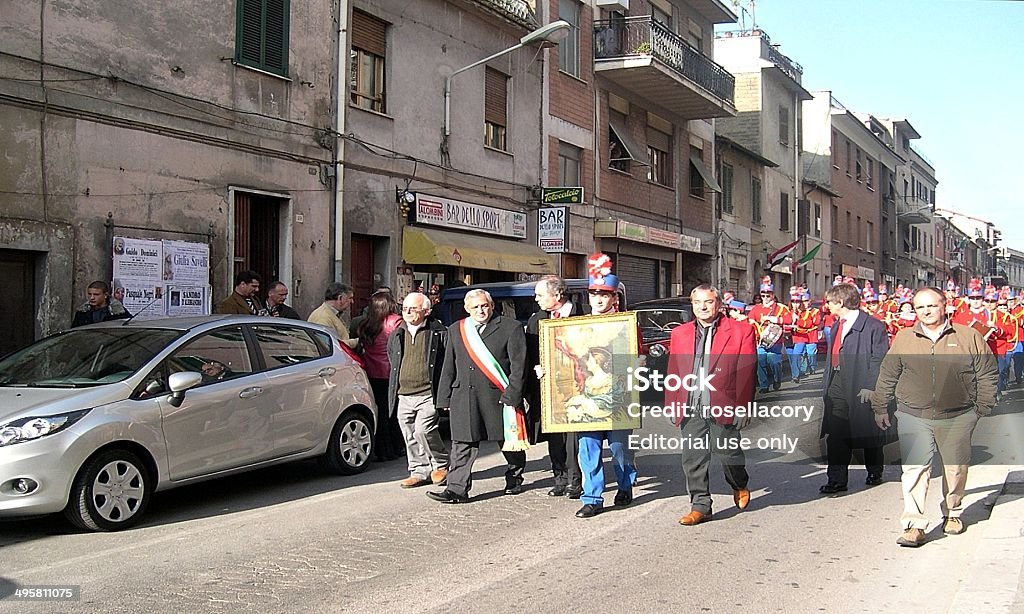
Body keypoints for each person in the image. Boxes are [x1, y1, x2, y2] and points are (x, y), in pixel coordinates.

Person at [871, 287, 998, 548]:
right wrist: (880, 406)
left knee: (955, 469)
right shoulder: (904, 338)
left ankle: (952, 512)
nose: (926, 311)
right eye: (920, 307)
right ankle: (914, 525)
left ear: (945, 306)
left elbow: (987, 372)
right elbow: (888, 374)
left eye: (931, 306)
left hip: (958, 415)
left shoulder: (968, 337)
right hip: (913, 414)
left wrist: (981, 408)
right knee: (915, 470)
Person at [667, 284, 757, 526]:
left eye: (708, 302)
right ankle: (700, 506)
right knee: (693, 457)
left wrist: (743, 406)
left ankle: (739, 484)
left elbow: (746, 372)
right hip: (691, 405)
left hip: (723, 402)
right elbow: (673, 370)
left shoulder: (741, 331)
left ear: (718, 304)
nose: (703, 307)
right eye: (697, 303)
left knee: (728, 452)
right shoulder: (680, 333)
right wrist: (672, 402)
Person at [427, 289, 528, 504]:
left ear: (491, 306)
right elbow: (449, 366)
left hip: (497, 397)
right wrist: (444, 398)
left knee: (507, 441)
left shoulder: (511, 327)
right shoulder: (457, 329)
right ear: (466, 309)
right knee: (462, 444)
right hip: (464, 395)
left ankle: (514, 477)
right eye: (475, 307)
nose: (481, 310)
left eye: (484, 306)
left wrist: (513, 394)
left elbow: (519, 366)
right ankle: (457, 489)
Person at [574, 253, 637, 519]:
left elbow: (638, 354)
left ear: (614, 298)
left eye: (604, 295)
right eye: (593, 294)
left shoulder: (627, 325)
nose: (598, 299)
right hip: (588, 392)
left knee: (620, 449)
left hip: (618, 395)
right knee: (588, 447)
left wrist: (639, 363)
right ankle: (593, 497)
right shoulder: (576, 326)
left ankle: (625, 483)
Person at [819, 282, 892, 495]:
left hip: (861, 384)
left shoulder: (873, 326)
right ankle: (837, 480)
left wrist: (870, 385)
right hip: (837, 382)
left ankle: (875, 470)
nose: (827, 307)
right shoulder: (836, 324)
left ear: (841, 302)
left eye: (830, 302)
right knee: (837, 432)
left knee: (867, 429)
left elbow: (879, 359)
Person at [526, 275, 589, 498]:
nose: (536, 299)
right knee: (555, 436)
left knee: (574, 436)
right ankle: (559, 477)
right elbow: (531, 354)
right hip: (549, 390)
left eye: (540, 295)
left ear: (558, 295)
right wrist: (536, 369)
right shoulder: (537, 320)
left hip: (578, 387)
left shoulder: (584, 314)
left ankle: (575, 480)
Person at [387, 291, 450, 488]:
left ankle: (441, 464)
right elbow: (393, 357)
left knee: (424, 430)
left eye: (412, 309)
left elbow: (447, 361)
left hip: (428, 392)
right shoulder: (398, 332)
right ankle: (419, 470)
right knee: (409, 433)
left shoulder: (439, 332)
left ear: (426, 311)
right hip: (404, 393)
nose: (407, 313)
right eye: (404, 309)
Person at [355, 292, 404, 461]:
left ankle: (381, 449)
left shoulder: (366, 323)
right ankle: (395, 447)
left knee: (380, 411)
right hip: (390, 372)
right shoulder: (395, 321)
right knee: (392, 411)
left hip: (372, 371)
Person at [748, 276, 792, 392]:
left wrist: (775, 319)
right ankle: (764, 385)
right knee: (761, 362)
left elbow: (789, 320)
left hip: (775, 342)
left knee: (775, 363)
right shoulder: (756, 308)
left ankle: (777, 379)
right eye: (763, 295)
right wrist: (751, 322)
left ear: (772, 295)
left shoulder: (781, 308)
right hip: (760, 341)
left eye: (768, 295)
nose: (765, 298)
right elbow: (750, 320)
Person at [307, 282, 358, 348]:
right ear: (340, 298)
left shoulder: (332, 314)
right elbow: (329, 345)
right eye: (350, 298)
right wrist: (356, 342)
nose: (352, 302)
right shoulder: (322, 317)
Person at [789, 290, 821, 382]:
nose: (805, 303)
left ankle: (812, 367)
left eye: (806, 301)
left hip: (811, 334)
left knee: (811, 353)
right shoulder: (791, 311)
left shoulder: (814, 311)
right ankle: (801, 371)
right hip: (798, 336)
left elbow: (815, 322)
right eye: (803, 301)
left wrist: (799, 321)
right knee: (801, 354)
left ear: (810, 301)